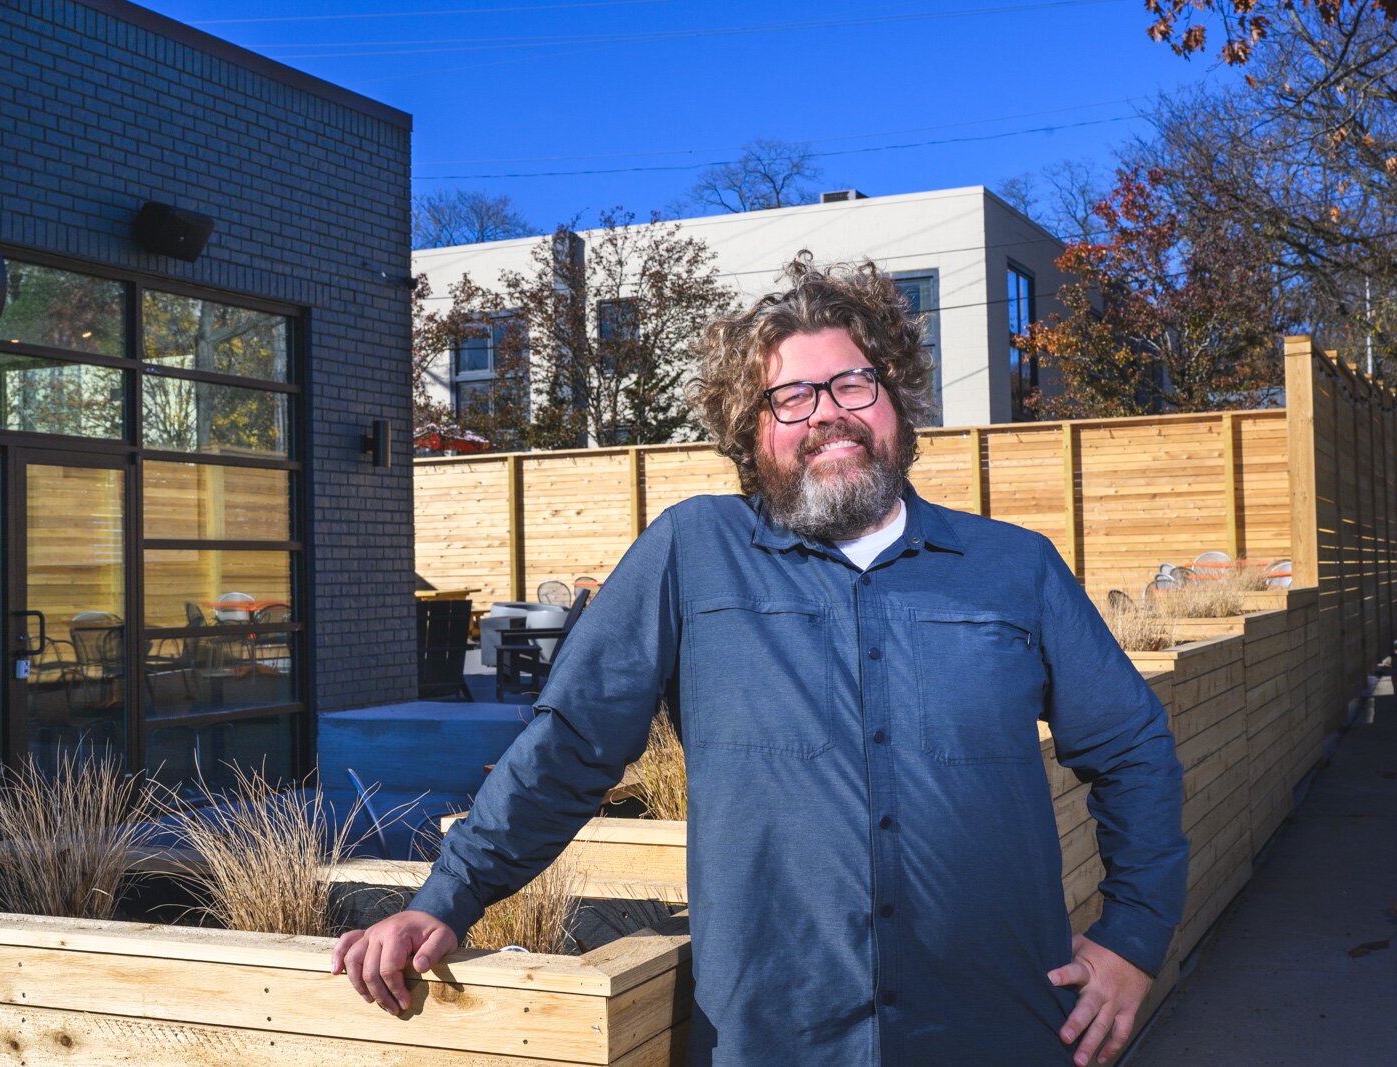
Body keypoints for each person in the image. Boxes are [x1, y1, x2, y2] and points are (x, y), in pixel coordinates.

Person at [332, 257, 1188, 1066]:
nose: (827, 410)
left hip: (998, 1025)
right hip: (775, 1034)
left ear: (896, 402)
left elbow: (1133, 749)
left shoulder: (1015, 567)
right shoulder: (691, 555)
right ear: (752, 435)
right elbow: (569, 747)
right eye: (790, 396)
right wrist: (445, 898)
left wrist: (1133, 937)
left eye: (853, 382)